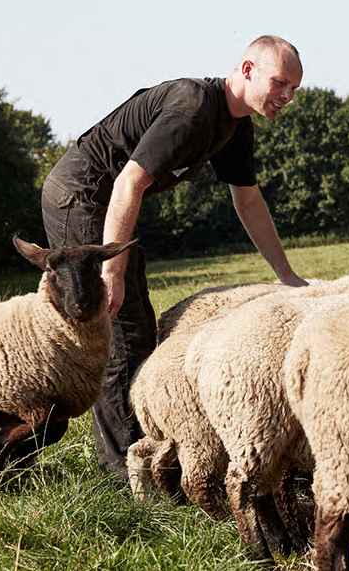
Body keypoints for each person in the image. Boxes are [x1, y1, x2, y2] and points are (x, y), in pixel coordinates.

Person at [41, 35, 309, 480]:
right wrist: (113, 270)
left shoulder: (236, 126)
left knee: (140, 325)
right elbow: (129, 183)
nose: (287, 96)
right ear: (247, 70)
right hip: (83, 196)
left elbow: (249, 202)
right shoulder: (193, 108)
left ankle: (149, 456)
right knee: (120, 328)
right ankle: (125, 478)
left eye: (295, 88)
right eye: (280, 82)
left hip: (114, 204)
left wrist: (286, 275)